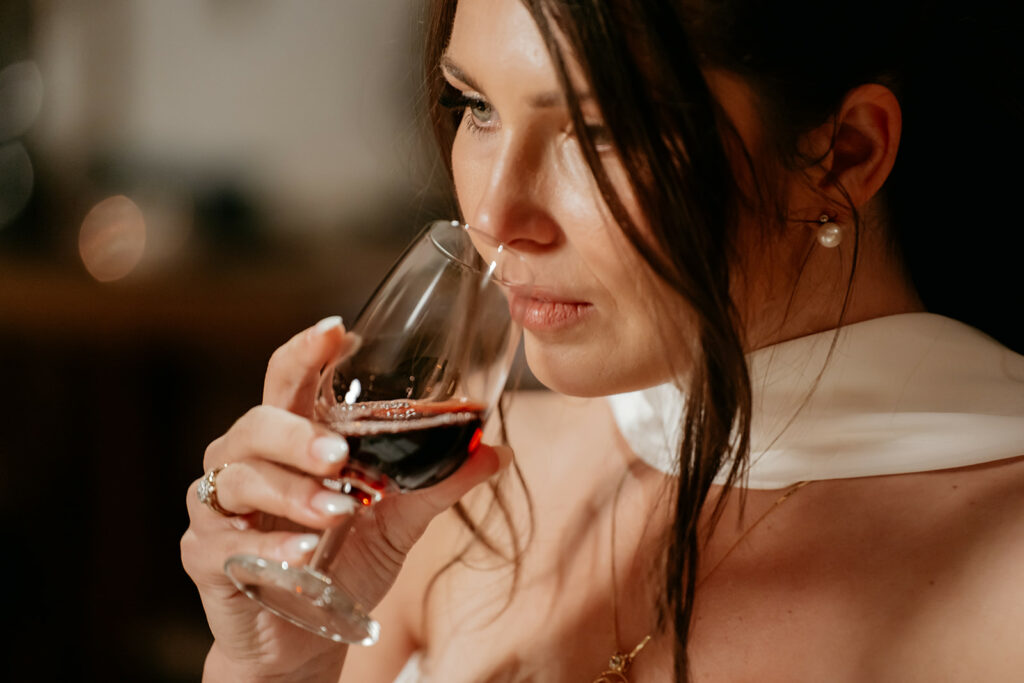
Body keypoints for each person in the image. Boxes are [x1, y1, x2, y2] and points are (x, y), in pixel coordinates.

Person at [181, 0, 1024, 680]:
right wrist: (274, 667)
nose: (495, 216)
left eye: (600, 130)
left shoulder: (1004, 581)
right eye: (476, 106)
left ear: (844, 154)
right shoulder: (456, 496)